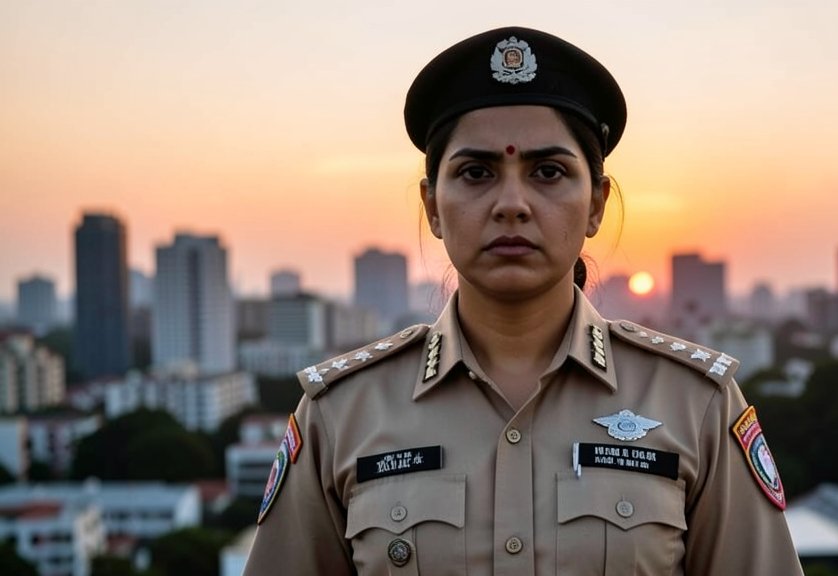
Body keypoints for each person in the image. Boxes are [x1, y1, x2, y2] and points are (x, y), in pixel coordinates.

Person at [243, 26, 804, 575]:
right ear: (433, 205)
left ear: (596, 205)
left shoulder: (694, 404)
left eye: (548, 171)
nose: (512, 203)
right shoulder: (343, 415)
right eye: (477, 172)